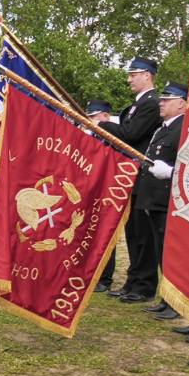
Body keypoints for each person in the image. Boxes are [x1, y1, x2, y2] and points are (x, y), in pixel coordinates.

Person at [101, 57, 163, 303]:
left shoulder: (151, 103)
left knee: (143, 235)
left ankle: (144, 285)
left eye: (133, 75)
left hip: (143, 177)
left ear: (147, 75)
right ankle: (133, 281)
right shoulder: (138, 104)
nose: (129, 80)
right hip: (131, 177)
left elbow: (131, 134)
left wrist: (103, 124)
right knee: (133, 233)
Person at [136, 82, 187, 321]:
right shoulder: (162, 128)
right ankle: (166, 299)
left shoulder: (184, 128)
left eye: (168, 100)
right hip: (154, 200)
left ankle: (176, 303)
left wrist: (171, 172)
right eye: (162, 99)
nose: (161, 103)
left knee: (171, 256)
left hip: (169, 201)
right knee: (161, 253)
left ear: (182, 104)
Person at [86, 99, 117, 292]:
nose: (90, 120)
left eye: (94, 116)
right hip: (90, 190)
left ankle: (105, 277)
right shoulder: (90, 135)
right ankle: (91, 273)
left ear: (105, 116)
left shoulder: (114, 136)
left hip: (108, 191)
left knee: (104, 233)